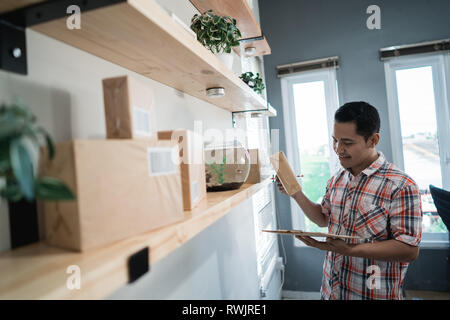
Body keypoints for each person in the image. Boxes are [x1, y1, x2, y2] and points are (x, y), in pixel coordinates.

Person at [275, 101, 422, 300]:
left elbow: (408, 250)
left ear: (373, 140)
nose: (338, 149)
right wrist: (295, 193)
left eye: (347, 142)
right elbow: (322, 219)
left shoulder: (401, 185)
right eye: (334, 140)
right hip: (331, 291)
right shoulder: (337, 179)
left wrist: (350, 250)